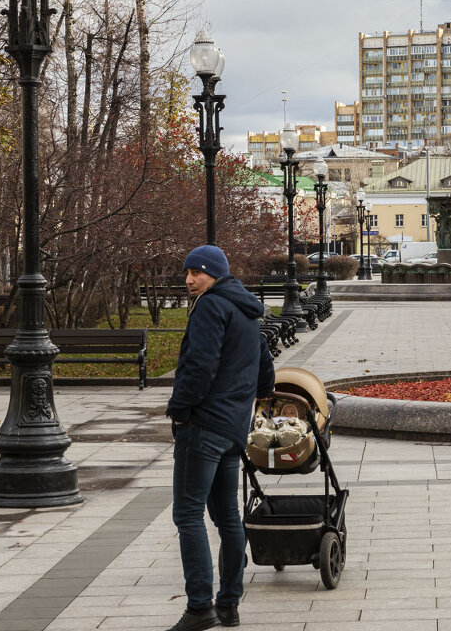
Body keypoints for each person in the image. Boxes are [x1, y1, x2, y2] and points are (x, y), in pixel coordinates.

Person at [165, 245, 274, 631]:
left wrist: (179, 412)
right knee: (227, 515)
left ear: (215, 272)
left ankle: (199, 608)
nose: (190, 280)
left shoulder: (211, 307)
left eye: (197, 272)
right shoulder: (246, 311)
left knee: (188, 513)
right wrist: (242, 402)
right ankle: (228, 605)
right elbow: (265, 376)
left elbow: (199, 366)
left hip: (204, 426)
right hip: (233, 432)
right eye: (186, 273)